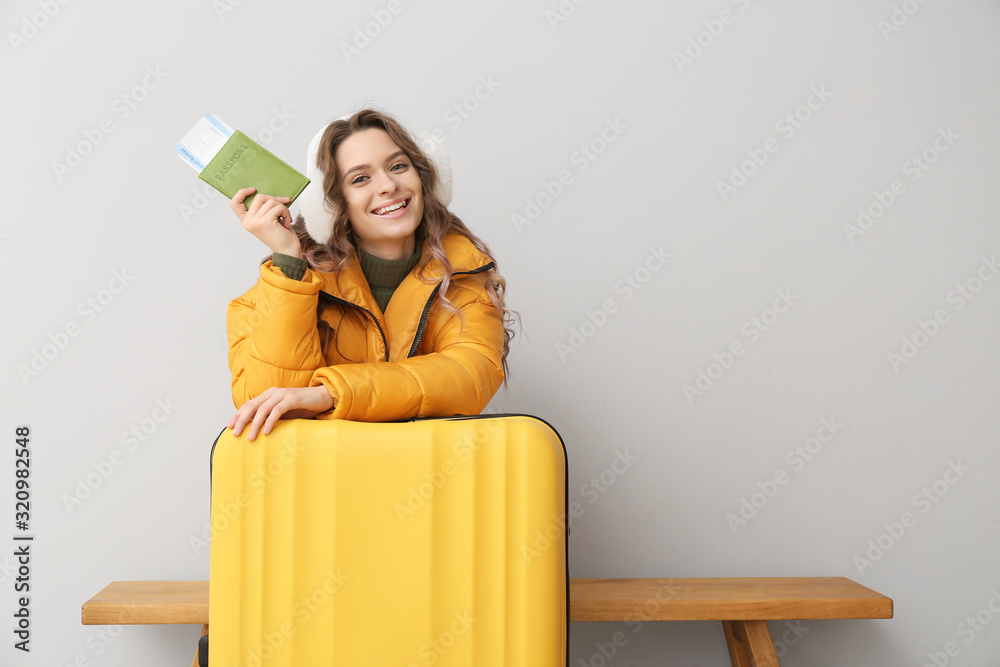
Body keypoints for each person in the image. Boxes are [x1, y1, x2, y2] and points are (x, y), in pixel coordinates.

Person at [225, 109, 515, 441]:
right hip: (320, 481)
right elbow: (268, 407)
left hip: (430, 476)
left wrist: (331, 393)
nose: (389, 186)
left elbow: (468, 376)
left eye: (398, 166)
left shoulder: (464, 277)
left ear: (426, 178)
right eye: (361, 178)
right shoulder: (266, 298)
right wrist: (289, 264)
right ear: (332, 203)